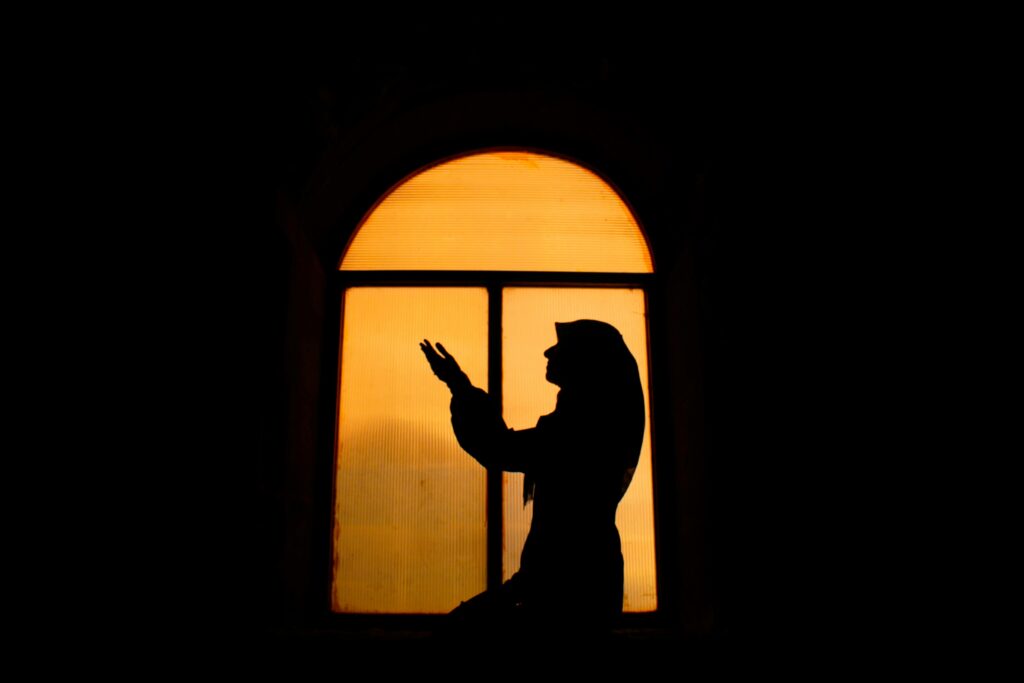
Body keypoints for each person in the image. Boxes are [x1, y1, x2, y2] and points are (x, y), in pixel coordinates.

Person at [420, 320, 645, 637]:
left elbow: (498, 448)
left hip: (564, 591)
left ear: (584, 363)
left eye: (561, 347)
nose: (548, 352)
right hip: (573, 584)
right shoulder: (591, 426)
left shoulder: (575, 432)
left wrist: (458, 385)